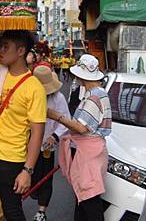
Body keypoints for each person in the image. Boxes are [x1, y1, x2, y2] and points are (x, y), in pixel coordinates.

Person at [0, 30, 47, 221]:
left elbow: (37, 133)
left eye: (6, 46)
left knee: (12, 212)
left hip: (11, 161)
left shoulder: (34, 87)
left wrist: (27, 171)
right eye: (0, 46)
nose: (1, 50)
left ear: (21, 51)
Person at [47, 54, 111, 221]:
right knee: (83, 198)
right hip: (90, 152)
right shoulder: (97, 94)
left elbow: (81, 127)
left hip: (88, 154)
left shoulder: (94, 96)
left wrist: (57, 116)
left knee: (89, 199)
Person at [29, 67, 69, 221]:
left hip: (46, 145)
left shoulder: (58, 98)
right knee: (25, 174)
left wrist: (55, 136)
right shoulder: (28, 95)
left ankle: (41, 211)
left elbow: (66, 120)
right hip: (27, 143)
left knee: (45, 178)